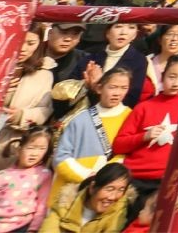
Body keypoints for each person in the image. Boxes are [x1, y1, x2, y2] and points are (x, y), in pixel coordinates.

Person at [110, 52, 178, 197]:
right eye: (172, 76)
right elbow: (119, 145)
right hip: (134, 178)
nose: (176, 83)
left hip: (168, 179)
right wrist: (144, 136)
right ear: (163, 75)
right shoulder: (144, 107)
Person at [54, 67, 134, 201]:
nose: (117, 93)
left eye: (123, 88)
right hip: (71, 191)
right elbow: (61, 157)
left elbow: (126, 153)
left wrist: (104, 177)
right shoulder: (80, 119)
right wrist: (88, 175)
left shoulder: (130, 117)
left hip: (108, 190)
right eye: (112, 87)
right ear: (99, 88)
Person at [0, 129, 53, 233]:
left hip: (20, 227)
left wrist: (33, 229)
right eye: (31, 148)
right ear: (19, 149)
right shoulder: (1, 176)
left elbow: (42, 206)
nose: (35, 153)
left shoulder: (43, 175)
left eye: (41, 149)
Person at [39, 161, 134, 233]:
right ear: (93, 187)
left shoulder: (119, 211)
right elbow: (49, 228)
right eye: (109, 189)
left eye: (121, 190)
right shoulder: (66, 201)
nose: (113, 197)